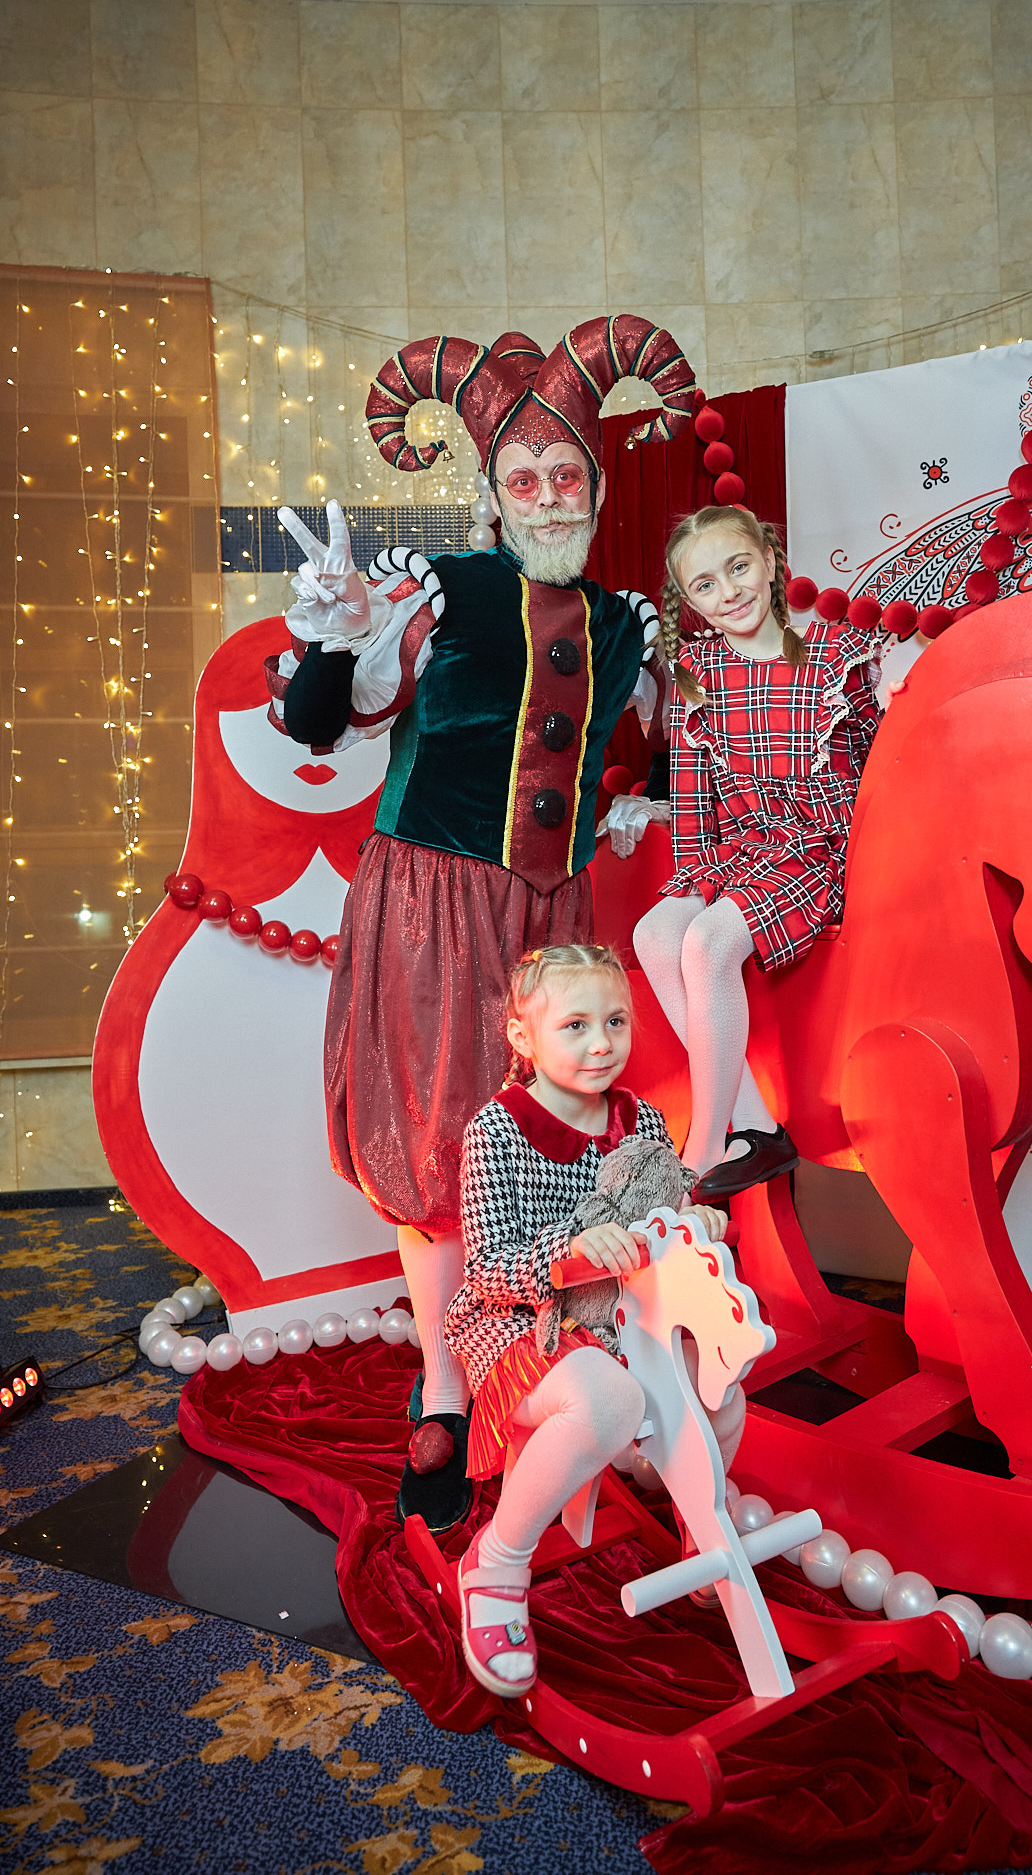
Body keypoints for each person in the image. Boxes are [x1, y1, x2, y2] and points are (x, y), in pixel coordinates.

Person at [270, 316, 696, 1534]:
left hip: (555, 918)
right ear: (493, 496)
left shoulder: (626, 622)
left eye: (568, 474)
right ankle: (447, 1388)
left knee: (549, 1138)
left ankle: (544, 1354)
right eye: (526, 478)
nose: (549, 495)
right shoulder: (440, 592)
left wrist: (641, 800)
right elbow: (325, 721)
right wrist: (329, 635)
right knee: (439, 1140)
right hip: (432, 907)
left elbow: (685, 740)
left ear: (596, 488)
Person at [446, 943, 734, 1698]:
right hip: (522, 1320)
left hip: (621, 1311)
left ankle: (699, 1526)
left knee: (721, 1387)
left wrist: (694, 1221)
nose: (601, 1043)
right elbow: (488, 1269)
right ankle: (496, 1563)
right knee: (611, 1402)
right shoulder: (497, 1131)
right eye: (574, 1026)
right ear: (523, 1036)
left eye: (615, 1021)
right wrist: (568, 1252)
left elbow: (661, 1211)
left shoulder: (640, 1117)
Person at [633, 505, 883, 1195]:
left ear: (769, 560)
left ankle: (705, 1145)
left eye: (738, 567)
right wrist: (693, 883)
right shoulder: (698, 672)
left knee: (708, 943)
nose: (729, 592)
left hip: (819, 851)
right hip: (742, 851)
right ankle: (755, 1126)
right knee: (655, 934)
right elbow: (693, 802)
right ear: (690, 602)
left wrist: (900, 688)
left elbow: (882, 760)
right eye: (705, 585)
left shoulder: (836, 655)